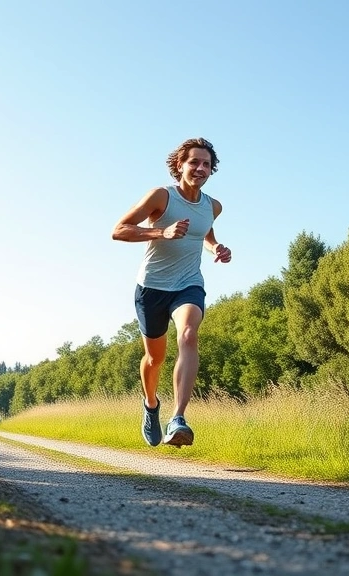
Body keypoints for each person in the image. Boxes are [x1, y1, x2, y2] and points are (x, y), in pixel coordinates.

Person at [111, 137, 232, 447]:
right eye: (194, 162)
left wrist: (215, 247)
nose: (201, 168)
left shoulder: (212, 206)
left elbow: (204, 232)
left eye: (206, 164)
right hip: (151, 287)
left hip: (189, 284)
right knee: (155, 359)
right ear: (180, 165)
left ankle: (178, 418)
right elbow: (119, 229)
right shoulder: (161, 197)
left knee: (189, 335)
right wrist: (160, 232)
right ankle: (151, 405)